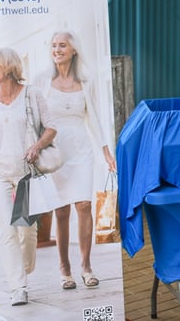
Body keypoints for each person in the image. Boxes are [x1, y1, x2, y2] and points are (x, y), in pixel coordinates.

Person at [36, 30, 117, 291]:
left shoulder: (87, 80)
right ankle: (64, 269)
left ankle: (86, 266)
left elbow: (93, 116)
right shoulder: (42, 80)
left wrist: (105, 150)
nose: (57, 49)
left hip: (81, 148)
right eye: (54, 45)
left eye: (62, 45)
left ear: (73, 50)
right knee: (61, 210)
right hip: (55, 150)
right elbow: (35, 118)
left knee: (84, 205)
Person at [0, 47, 58, 306]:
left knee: (28, 229)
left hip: (27, 172)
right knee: (6, 229)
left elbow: (51, 127)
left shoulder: (32, 94)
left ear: (8, 67)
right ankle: (18, 286)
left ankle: (22, 269)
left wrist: (36, 146)